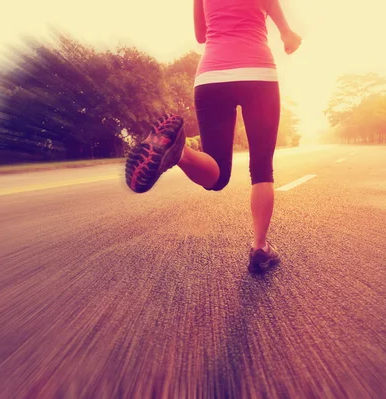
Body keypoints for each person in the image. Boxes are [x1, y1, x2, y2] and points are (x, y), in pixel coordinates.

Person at [125, 0, 302, 272]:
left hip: (212, 76)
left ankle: (179, 152)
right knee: (262, 168)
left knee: (217, 175)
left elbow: (201, 34)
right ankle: (260, 246)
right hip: (258, 73)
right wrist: (286, 33)